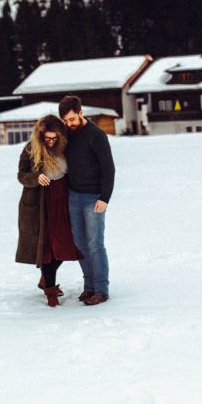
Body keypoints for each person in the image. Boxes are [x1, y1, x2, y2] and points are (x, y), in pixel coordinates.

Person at [15, 115, 82, 307]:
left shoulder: (66, 147)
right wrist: (37, 177)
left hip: (63, 201)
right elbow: (21, 175)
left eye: (55, 138)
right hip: (40, 204)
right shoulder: (30, 149)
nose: (51, 141)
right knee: (47, 249)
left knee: (66, 245)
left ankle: (45, 279)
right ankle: (50, 290)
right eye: (47, 138)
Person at [59, 95, 115, 306]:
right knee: (80, 244)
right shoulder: (67, 134)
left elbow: (108, 168)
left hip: (94, 198)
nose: (69, 124)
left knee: (95, 244)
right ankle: (89, 287)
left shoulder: (96, 135)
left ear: (81, 113)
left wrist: (104, 197)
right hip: (74, 195)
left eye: (72, 119)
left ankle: (101, 289)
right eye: (66, 121)